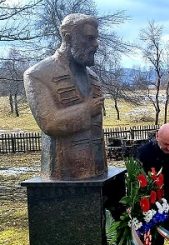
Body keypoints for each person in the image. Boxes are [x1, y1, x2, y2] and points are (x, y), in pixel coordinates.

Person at [23, 13, 106, 180]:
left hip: (97, 171)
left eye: (96, 38)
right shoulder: (39, 74)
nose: (96, 44)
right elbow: (50, 122)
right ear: (68, 38)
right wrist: (86, 109)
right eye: (89, 38)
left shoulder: (93, 77)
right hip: (63, 174)